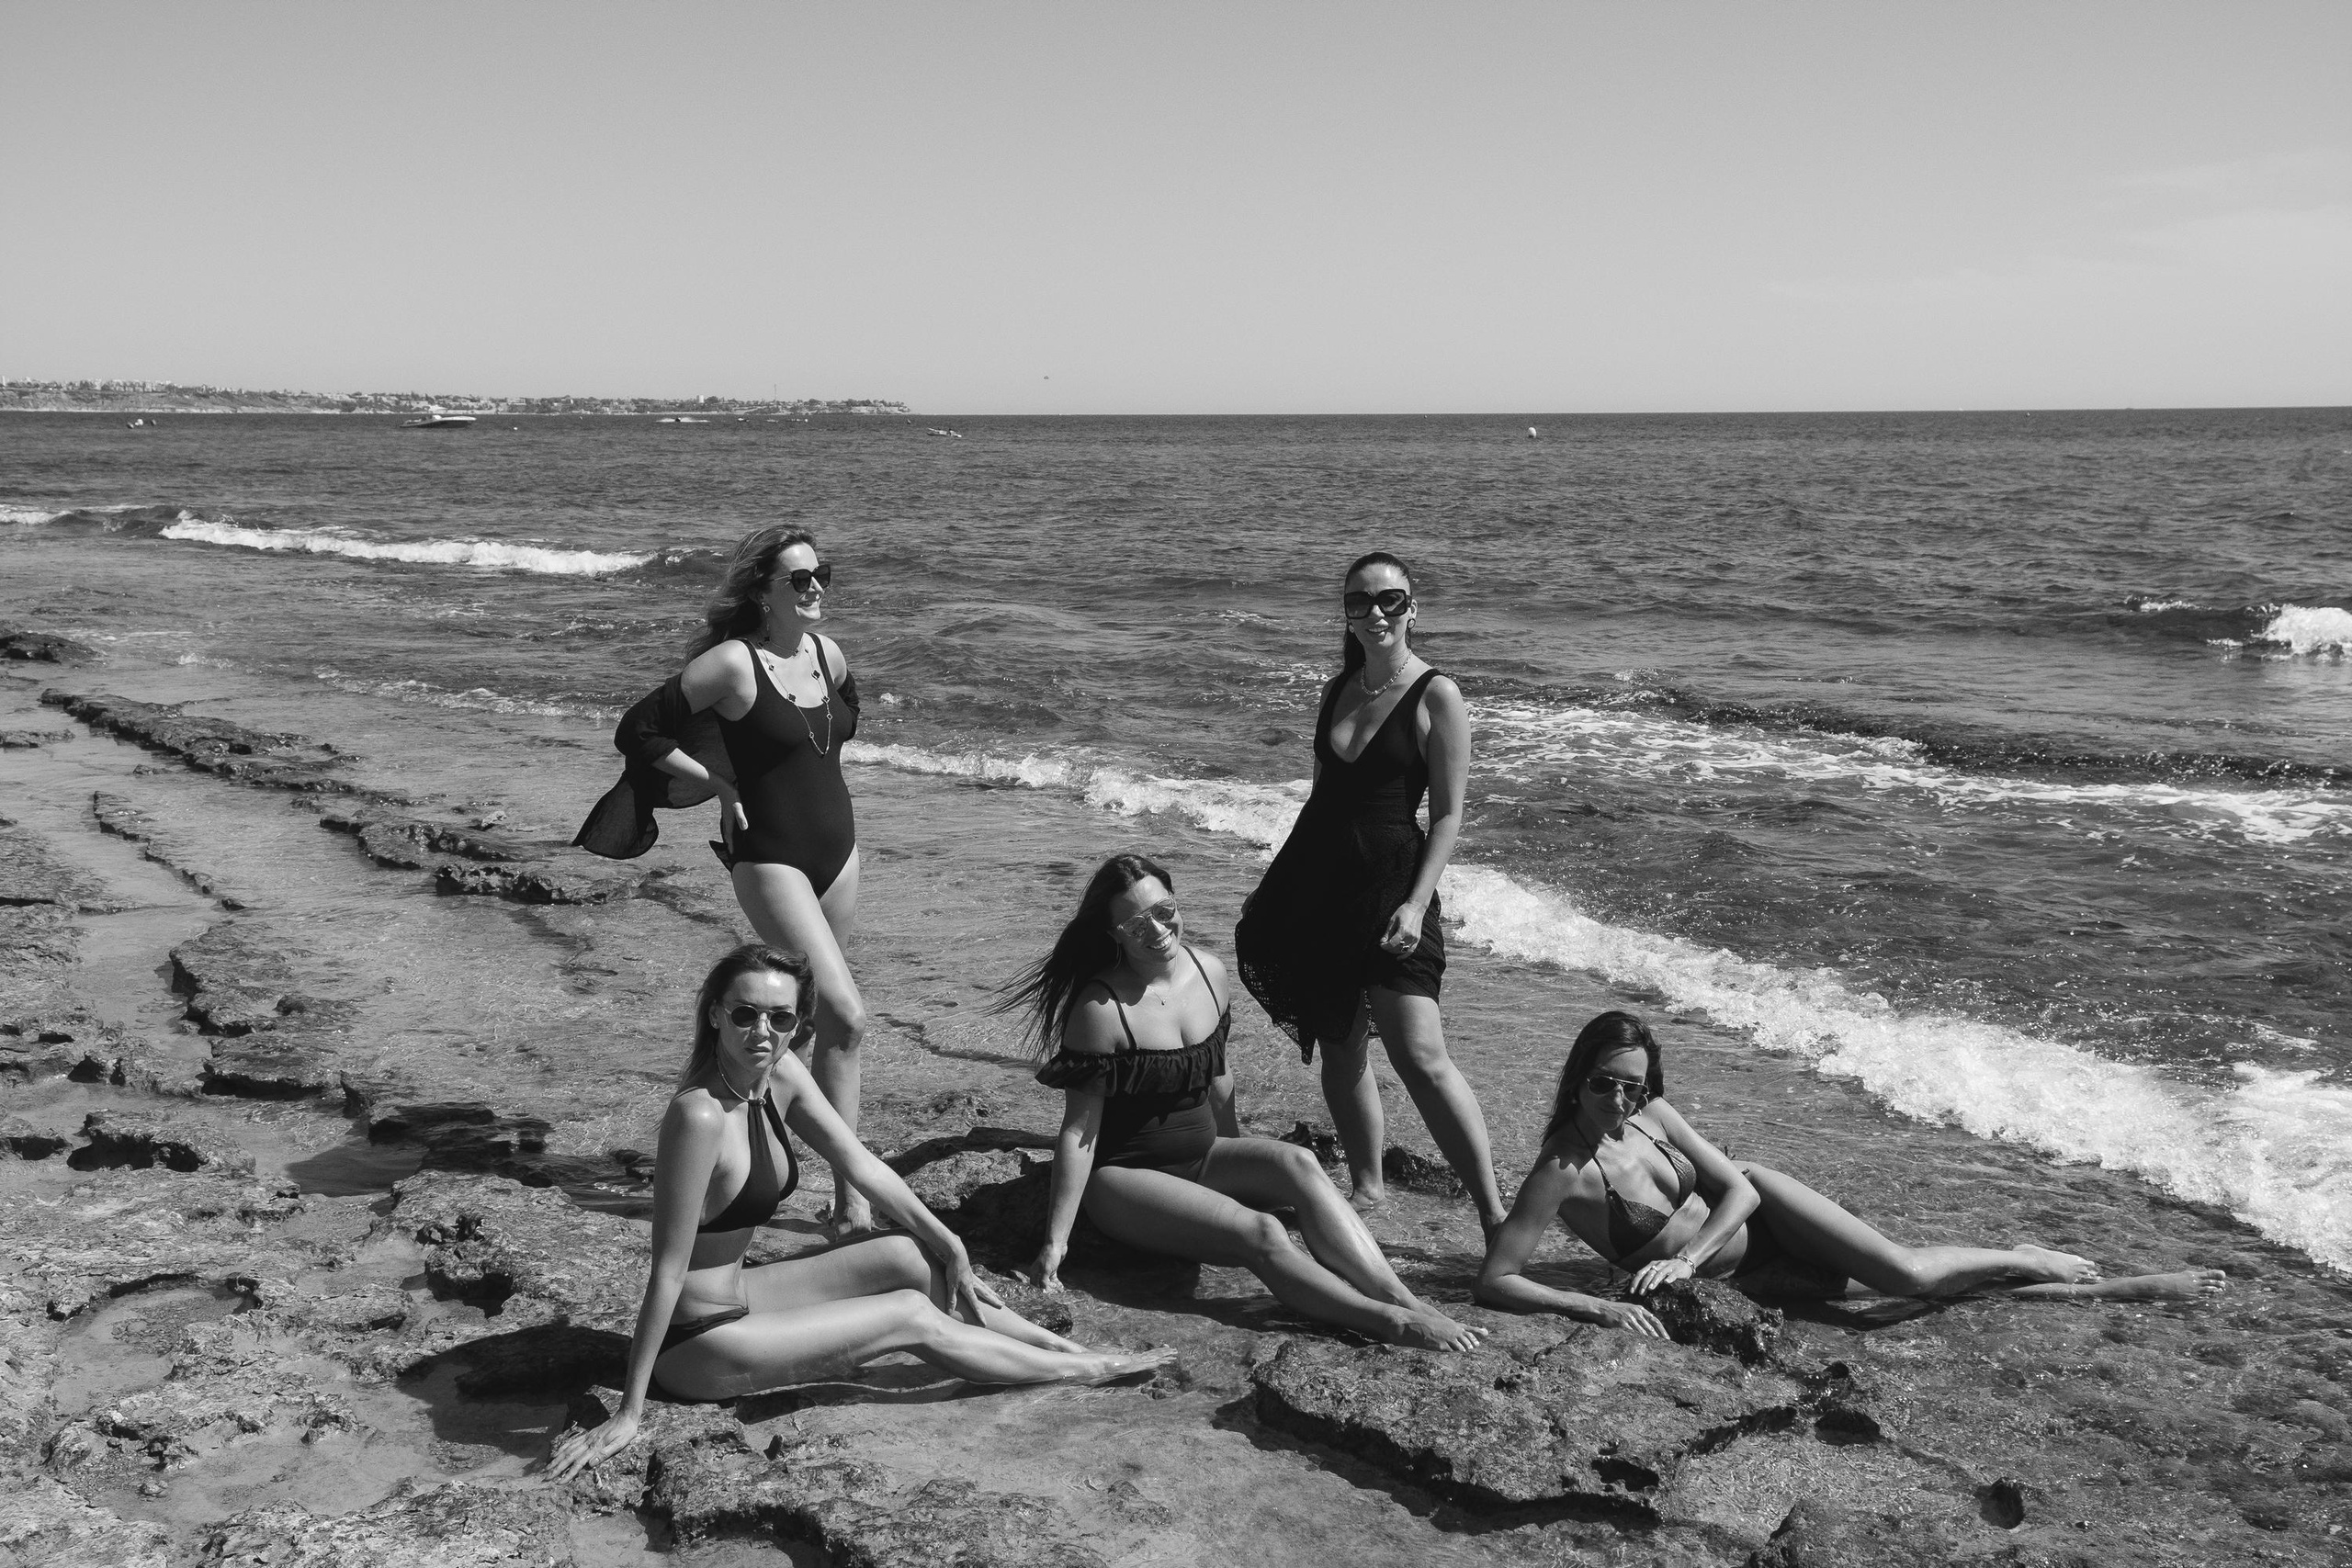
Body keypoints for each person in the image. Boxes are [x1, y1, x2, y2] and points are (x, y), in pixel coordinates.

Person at [546, 943, 1174, 1481]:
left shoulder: (778, 1075)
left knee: (908, 1254)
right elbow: (666, 1269)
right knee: (906, 1313)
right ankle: (1086, 1370)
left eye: (780, 1017)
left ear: (797, 1024)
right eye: (744, 1013)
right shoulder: (699, 1115)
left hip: (743, 1295)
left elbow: (862, 1163)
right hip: (698, 1344)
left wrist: (946, 1238)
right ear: (714, 1014)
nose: (762, 1031)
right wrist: (630, 1411)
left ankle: (1056, 1345)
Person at [1476, 1011, 2230, 1336]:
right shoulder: (1561, 1170)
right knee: (1882, 1312)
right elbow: (1497, 1278)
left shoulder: (1656, 1117)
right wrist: (1597, 1309)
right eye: (1606, 1082)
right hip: (1742, 1277)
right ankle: (2096, 1292)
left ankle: (2023, 1255)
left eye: (1633, 1085)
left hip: (1763, 1215)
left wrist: (1684, 1259)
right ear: (1577, 1080)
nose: (1621, 1099)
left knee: (1904, 1275)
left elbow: (1740, 1184)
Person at [1001, 853, 1486, 1352]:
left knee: (1298, 1161)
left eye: (1164, 910)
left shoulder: (1209, 972)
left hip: (1202, 1157)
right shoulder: (1100, 1011)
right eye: (1135, 923)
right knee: (1262, 1231)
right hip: (1127, 1178)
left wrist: (1238, 1160)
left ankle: (1402, 1296)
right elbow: (1081, 1132)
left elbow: (1219, 1078)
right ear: (1115, 934)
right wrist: (1055, 1241)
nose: (1157, 929)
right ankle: (1389, 1321)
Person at [579, 525, 876, 1235]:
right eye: (798, 579)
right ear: (761, 592)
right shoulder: (734, 666)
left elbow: (843, 724)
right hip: (769, 856)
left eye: (820, 574)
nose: (815, 588)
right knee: (849, 1016)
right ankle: (852, 1202)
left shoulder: (827, 655)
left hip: (840, 854)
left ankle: (716, 1129)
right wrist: (714, 779)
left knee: (805, 1022)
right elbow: (639, 728)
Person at [1234, 550, 1506, 1232]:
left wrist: (1416, 904)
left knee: (1420, 1053)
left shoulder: (1436, 694)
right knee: (1341, 1042)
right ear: (1346, 613)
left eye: (1390, 599)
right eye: (1360, 601)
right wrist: (1286, 885)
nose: (1376, 611)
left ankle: (1496, 1210)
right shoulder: (1336, 689)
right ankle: (1369, 1186)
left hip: (1392, 887)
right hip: (1322, 882)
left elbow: (1446, 816)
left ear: (1413, 607)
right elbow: (1324, 798)